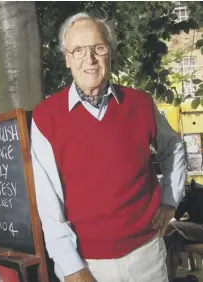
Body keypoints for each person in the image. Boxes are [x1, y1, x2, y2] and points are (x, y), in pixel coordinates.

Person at [31, 12, 186, 282]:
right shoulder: (46, 117)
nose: (89, 60)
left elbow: (173, 148)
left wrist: (170, 200)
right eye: (78, 50)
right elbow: (48, 201)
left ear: (109, 53)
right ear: (67, 59)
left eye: (98, 48)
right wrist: (71, 267)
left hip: (146, 257)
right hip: (87, 263)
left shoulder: (140, 104)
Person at [164, 180, 203, 282]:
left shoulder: (192, 193)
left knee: (171, 227)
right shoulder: (194, 192)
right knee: (174, 239)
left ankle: (168, 278)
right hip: (197, 229)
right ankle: (168, 278)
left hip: (199, 228)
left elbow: (176, 217)